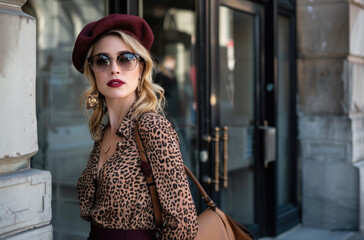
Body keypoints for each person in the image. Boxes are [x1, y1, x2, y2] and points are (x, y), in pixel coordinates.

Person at [72, 14, 198, 240]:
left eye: (126, 58)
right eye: (102, 60)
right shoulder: (105, 132)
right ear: (92, 72)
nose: (114, 69)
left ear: (141, 68)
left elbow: (184, 224)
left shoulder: (152, 126)